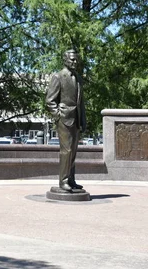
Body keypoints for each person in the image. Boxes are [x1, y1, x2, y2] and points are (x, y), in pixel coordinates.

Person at [45, 49, 86, 192]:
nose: (75, 62)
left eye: (76, 60)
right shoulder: (58, 76)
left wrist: (83, 120)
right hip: (64, 119)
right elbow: (50, 100)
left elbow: (81, 102)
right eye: (72, 59)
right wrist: (58, 115)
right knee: (66, 151)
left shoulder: (78, 78)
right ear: (65, 60)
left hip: (76, 119)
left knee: (73, 151)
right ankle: (63, 181)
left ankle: (71, 179)